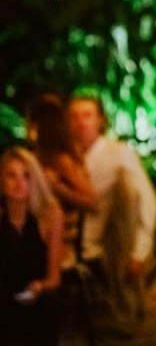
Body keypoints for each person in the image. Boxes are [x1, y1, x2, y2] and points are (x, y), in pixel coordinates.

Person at [67, 95, 156, 334]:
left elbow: (146, 200)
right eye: (74, 116)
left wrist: (140, 251)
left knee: (127, 192)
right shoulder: (64, 155)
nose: (81, 122)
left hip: (106, 241)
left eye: (87, 115)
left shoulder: (117, 153)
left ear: (100, 119)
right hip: (67, 239)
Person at [0, 146, 64, 346]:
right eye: (12, 175)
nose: (19, 183)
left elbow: (54, 277)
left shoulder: (50, 215)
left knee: (50, 300)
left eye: (26, 176)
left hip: (37, 295)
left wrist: (41, 286)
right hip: (4, 297)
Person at [26, 94, 97, 268]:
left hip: (62, 251)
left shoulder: (63, 161)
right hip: (41, 246)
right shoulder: (38, 158)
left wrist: (58, 188)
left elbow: (92, 201)